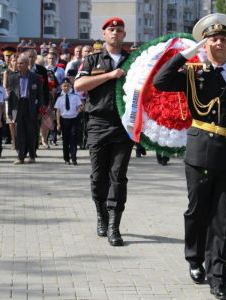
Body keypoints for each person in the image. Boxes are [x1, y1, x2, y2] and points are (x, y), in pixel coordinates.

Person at [153, 13, 226, 300]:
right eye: (212, 38)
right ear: (206, 44)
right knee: (197, 212)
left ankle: (219, 277)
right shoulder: (195, 73)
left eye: (223, 38)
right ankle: (194, 258)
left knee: (225, 219)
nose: (218, 42)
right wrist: (186, 54)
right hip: (200, 156)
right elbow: (160, 81)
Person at [74, 17, 133, 247]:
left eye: (119, 30)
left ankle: (114, 226)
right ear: (104, 34)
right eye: (111, 30)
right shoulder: (92, 59)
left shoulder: (133, 60)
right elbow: (79, 85)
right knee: (99, 176)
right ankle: (101, 214)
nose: (115, 33)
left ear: (124, 34)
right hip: (98, 122)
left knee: (118, 176)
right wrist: (109, 75)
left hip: (123, 125)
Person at [6, 53, 43, 165]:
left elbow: (40, 95)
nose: (18, 65)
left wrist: (40, 109)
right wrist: (10, 112)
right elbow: (11, 95)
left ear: (27, 64)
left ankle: (32, 156)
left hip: (31, 106)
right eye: (17, 63)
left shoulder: (35, 77)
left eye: (21, 63)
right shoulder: (13, 77)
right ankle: (20, 157)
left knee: (31, 132)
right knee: (19, 133)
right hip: (18, 105)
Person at [55, 78, 82, 165]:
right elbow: (58, 111)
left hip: (74, 119)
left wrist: (80, 109)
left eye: (68, 86)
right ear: (61, 87)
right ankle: (66, 158)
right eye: (64, 86)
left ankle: (74, 158)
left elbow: (78, 107)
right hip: (64, 120)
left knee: (73, 139)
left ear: (71, 86)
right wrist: (58, 123)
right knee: (65, 140)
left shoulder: (75, 97)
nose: (66, 87)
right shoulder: (59, 98)